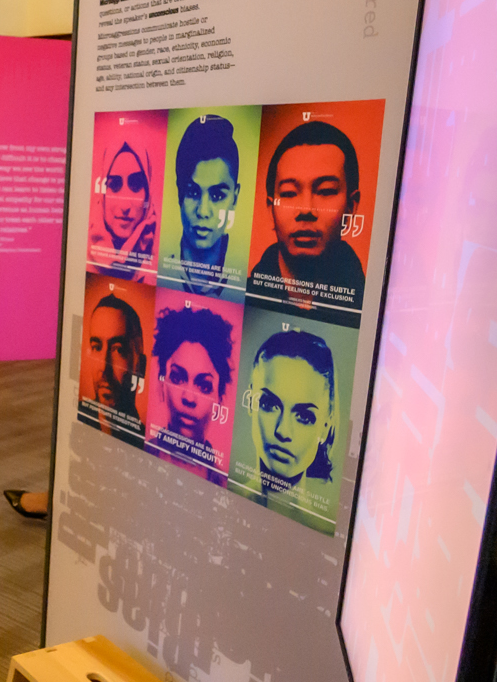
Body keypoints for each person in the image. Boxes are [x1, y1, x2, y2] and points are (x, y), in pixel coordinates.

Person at [247, 121, 365, 324]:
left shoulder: (369, 306)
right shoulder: (244, 301)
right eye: (289, 193)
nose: (306, 210)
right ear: (270, 208)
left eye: (326, 191)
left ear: (351, 207)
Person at [241, 328, 339, 532]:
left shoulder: (324, 531)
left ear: (325, 426)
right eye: (268, 404)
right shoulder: (219, 494)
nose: (283, 431)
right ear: (250, 403)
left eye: (304, 416)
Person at [145, 304, 236, 483]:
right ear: (161, 385)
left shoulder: (225, 485)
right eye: (178, 378)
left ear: (219, 398)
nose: (188, 397)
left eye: (204, 386)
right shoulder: (139, 454)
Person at [165, 115, 241, 294]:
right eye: (192, 192)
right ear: (179, 193)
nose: (203, 211)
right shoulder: (158, 269)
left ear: (234, 198)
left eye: (217, 195)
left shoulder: (245, 279)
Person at [77, 292, 146, 447]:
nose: (103, 367)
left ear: (140, 365)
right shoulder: (75, 418)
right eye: (96, 347)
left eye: (118, 350)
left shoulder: (147, 442)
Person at [91, 141, 157, 277]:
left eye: (136, 185)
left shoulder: (159, 263)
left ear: (147, 194)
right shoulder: (81, 254)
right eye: (114, 185)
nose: (125, 205)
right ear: (102, 195)